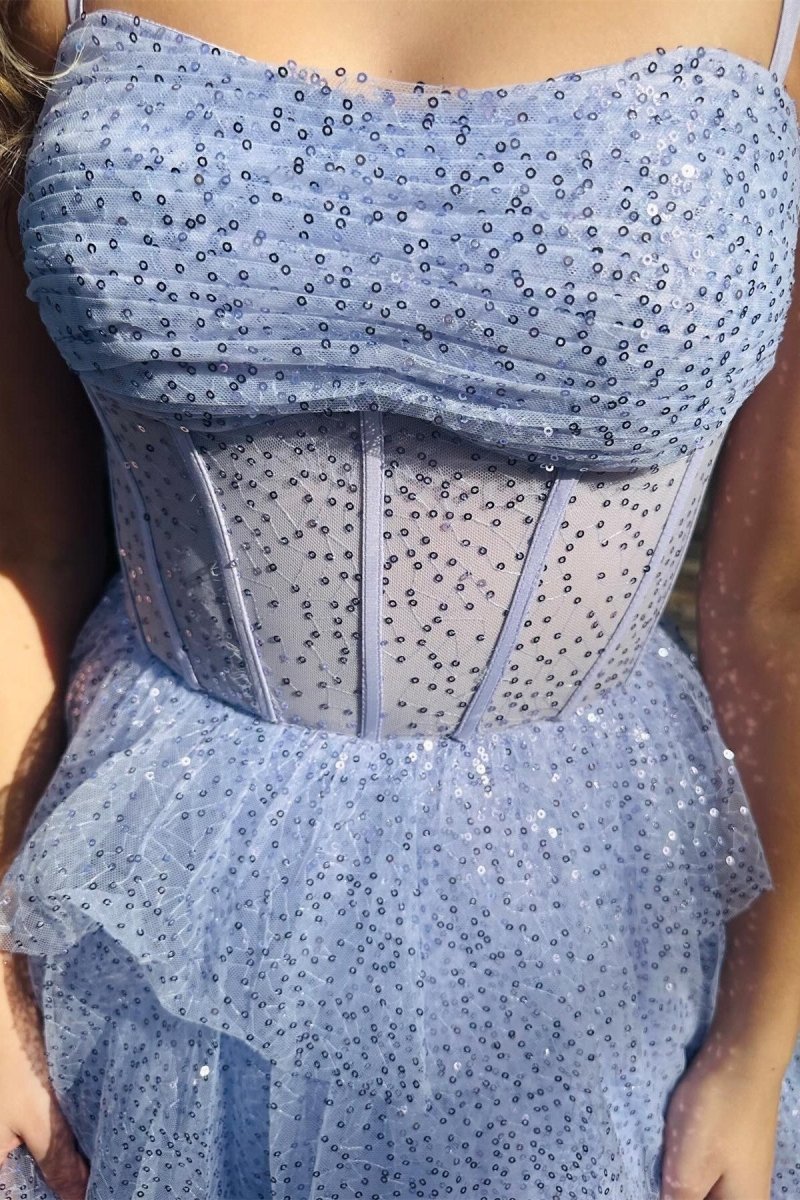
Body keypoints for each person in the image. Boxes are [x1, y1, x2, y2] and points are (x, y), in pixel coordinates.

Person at [1, 0, 800, 1196]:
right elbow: (30, 547)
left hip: (592, 933)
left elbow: (773, 608)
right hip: (144, 907)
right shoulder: (46, 15)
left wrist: (756, 1041)